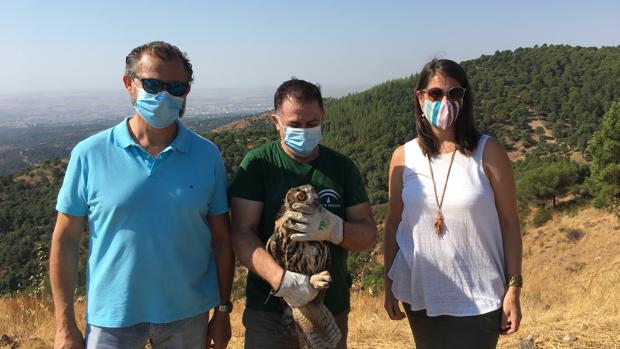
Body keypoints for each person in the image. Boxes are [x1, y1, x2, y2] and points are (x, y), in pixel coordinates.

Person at [49, 41, 234, 349]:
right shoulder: (89, 154)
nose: (163, 95)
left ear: (186, 91)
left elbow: (222, 239)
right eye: (151, 83)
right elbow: (65, 240)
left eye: (176, 86)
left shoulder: (207, 155)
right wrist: (64, 325)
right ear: (129, 84)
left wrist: (223, 311)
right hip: (111, 318)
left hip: (188, 315)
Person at [383, 59, 522, 349]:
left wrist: (514, 288)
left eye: (455, 94)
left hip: (480, 298)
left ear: (464, 98)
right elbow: (394, 222)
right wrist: (389, 284)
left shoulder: (488, 151)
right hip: (419, 292)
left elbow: (510, 222)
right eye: (435, 94)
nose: (445, 101)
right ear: (419, 97)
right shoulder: (403, 157)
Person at [229, 78, 377, 348]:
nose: (304, 131)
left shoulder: (341, 168)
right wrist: (283, 280)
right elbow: (241, 232)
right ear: (277, 122)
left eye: (312, 124)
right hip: (269, 314)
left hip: (329, 308)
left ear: (322, 119)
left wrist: (336, 230)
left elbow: (368, 236)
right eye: (294, 125)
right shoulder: (259, 164)